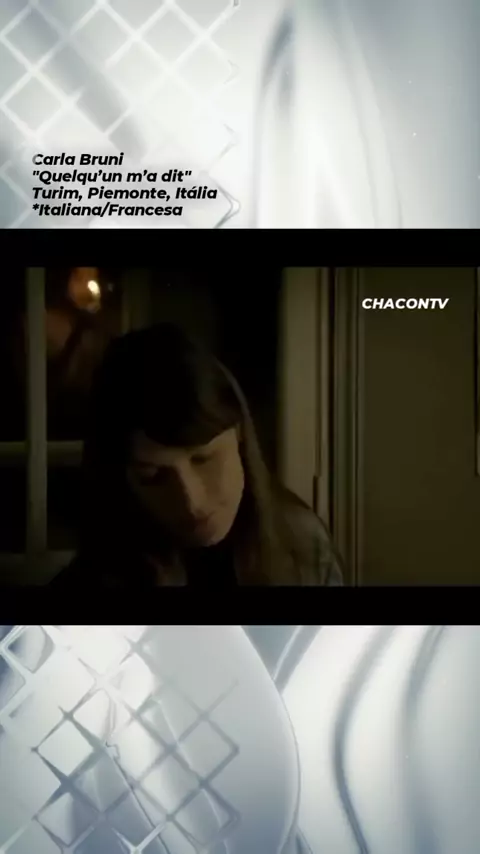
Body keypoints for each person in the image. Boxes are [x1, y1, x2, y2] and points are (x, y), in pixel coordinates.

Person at [51, 323, 344, 587]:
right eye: (152, 476)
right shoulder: (94, 579)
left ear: (239, 433)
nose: (191, 501)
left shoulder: (304, 547)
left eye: (203, 458)